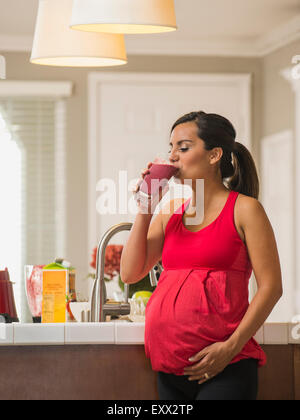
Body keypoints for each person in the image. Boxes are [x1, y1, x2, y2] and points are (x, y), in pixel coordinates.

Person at [120, 111, 283, 400]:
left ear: (214, 155)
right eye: (170, 148)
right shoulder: (168, 213)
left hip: (226, 365)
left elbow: (271, 288)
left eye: (183, 148)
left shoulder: (245, 210)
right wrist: (145, 205)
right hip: (171, 369)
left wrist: (229, 348)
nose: (172, 157)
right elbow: (130, 273)